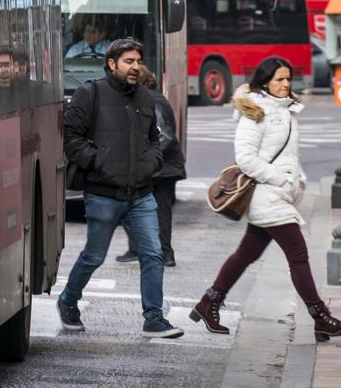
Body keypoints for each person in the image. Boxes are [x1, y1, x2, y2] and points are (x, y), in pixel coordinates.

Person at [190, 58, 341, 340]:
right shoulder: (255, 113)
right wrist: (281, 179)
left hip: (279, 195)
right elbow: (245, 158)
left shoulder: (286, 110)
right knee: (298, 254)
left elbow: (290, 155)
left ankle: (209, 302)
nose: (285, 84)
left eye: (287, 79)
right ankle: (319, 316)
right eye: (279, 80)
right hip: (267, 197)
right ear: (264, 82)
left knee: (247, 254)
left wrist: (299, 179)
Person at [56, 37, 183, 339]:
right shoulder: (91, 93)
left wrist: (150, 163)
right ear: (111, 64)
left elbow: (156, 138)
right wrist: (99, 162)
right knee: (94, 256)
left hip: (141, 194)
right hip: (103, 193)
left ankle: (154, 318)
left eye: (138, 61)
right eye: (129, 61)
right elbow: (70, 137)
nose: (135, 67)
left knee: (152, 254)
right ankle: (68, 301)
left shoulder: (145, 97)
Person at [115, 71, 186, 267]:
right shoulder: (152, 99)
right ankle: (160, 252)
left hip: (159, 167)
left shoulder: (151, 101)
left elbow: (165, 135)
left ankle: (152, 251)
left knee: (133, 205)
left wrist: (144, 161)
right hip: (164, 166)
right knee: (157, 209)